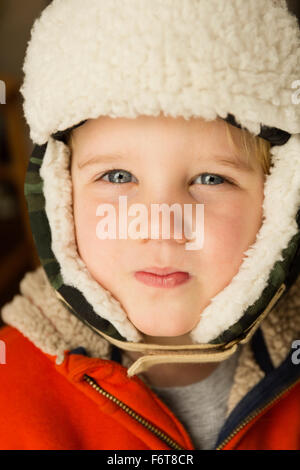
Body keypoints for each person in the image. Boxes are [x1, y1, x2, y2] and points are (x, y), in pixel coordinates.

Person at [0, 0, 299, 450]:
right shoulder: (10, 390)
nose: (161, 226)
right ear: (59, 198)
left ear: (279, 203)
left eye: (212, 178)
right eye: (118, 177)